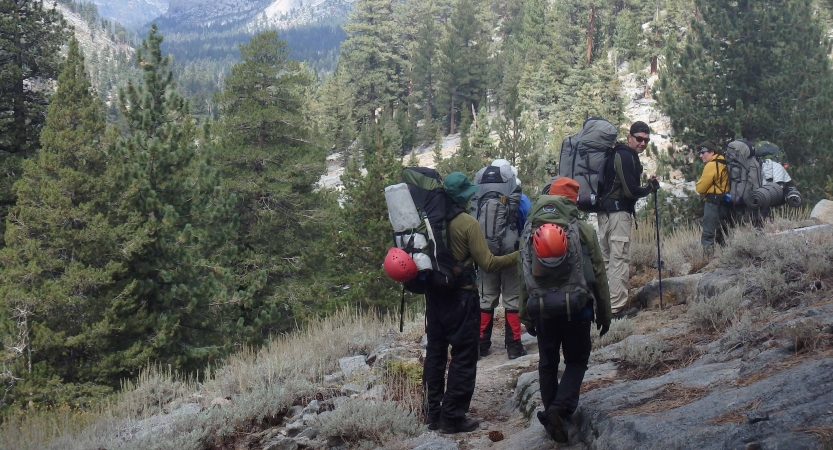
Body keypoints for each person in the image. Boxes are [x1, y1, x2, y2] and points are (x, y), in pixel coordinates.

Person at [422, 172, 519, 434]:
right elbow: (487, 263)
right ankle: (452, 418)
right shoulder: (467, 224)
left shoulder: (430, 220)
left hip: (434, 299)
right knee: (464, 357)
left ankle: (432, 413)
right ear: (464, 196)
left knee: (435, 353)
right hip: (461, 299)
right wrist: (517, 256)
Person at [518, 177, 612, 444]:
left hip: (542, 309)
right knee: (577, 360)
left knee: (547, 363)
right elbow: (599, 274)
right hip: (578, 309)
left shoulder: (529, 229)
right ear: (573, 201)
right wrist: (605, 313)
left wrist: (525, 314)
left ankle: (552, 414)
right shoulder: (582, 229)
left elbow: (523, 273)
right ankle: (559, 411)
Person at [597, 121, 658, 319]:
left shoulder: (614, 153)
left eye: (646, 140)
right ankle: (616, 310)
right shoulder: (625, 156)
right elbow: (631, 192)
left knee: (607, 262)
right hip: (618, 215)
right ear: (629, 137)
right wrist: (650, 187)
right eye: (639, 138)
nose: (642, 143)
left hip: (604, 214)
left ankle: (605, 306)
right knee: (619, 260)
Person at [475, 159, 532, 360]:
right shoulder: (520, 199)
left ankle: (481, 344)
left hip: (485, 250)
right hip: (511, 251)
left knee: (486, 296)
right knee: (512, 298)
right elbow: (527, 223)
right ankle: (514, 346)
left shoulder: (480, 194)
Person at [695, 141, 730, 255]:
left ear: (711, 152)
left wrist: (698, 185)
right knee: (723, 233)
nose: (700, 155)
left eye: (703, 152)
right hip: (725, 202)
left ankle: (708, 260)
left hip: (713, 202)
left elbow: (701, 188)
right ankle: (728, 256)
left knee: (708, 234)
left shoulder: (711, 165)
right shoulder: (723, 161)